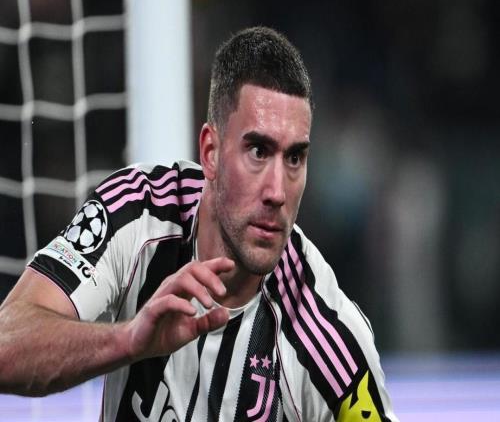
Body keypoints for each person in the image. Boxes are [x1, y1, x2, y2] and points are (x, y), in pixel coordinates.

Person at [0, 27, 397, 421]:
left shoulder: (328, 338)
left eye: (294, 158)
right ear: (211, 152)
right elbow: (5, 346)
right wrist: (128, 341)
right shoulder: (137, 212)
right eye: (258, 151)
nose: (277, 191)